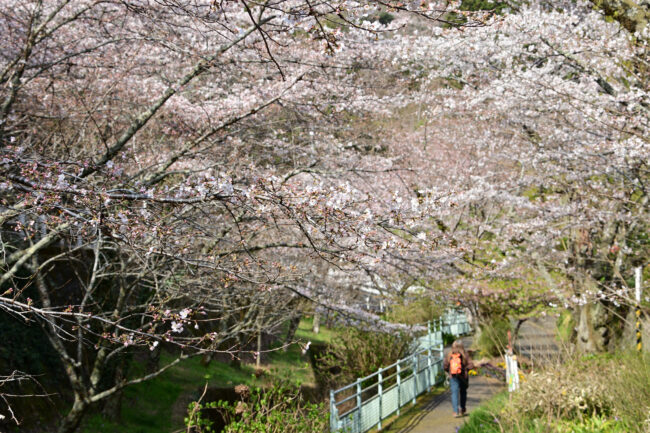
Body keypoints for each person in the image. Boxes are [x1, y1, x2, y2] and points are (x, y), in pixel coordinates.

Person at [443, 339, 474, 417]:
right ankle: (462, 409)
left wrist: (449, 371)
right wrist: (465, 369)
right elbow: (471, 365)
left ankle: (455, 411)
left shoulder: (449, 354)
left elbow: (445, 366)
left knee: (454, 393)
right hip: (463, 377)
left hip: (453, 376)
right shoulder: (465, 354)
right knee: (463, 392)